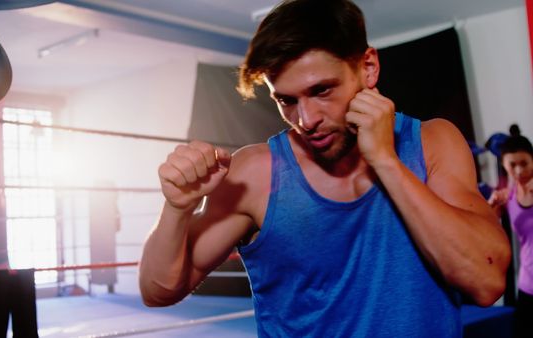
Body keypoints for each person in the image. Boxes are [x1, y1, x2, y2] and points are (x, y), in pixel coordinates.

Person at [138, 0, 511, 336]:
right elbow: (158, 291)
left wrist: (385, 161)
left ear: (368, 68)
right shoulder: (256, 173)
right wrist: (177, 208)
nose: (306, 119)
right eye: (286, 100)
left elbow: (486, 281)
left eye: (322, 91)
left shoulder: (432, 143)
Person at [488, 124, 533, 338]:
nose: (518, 171)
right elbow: (486, 235)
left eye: (524, 163)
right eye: (512, 164)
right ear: (504, 165)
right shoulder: (507, 196)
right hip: (528, 283)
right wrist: (491, 210)